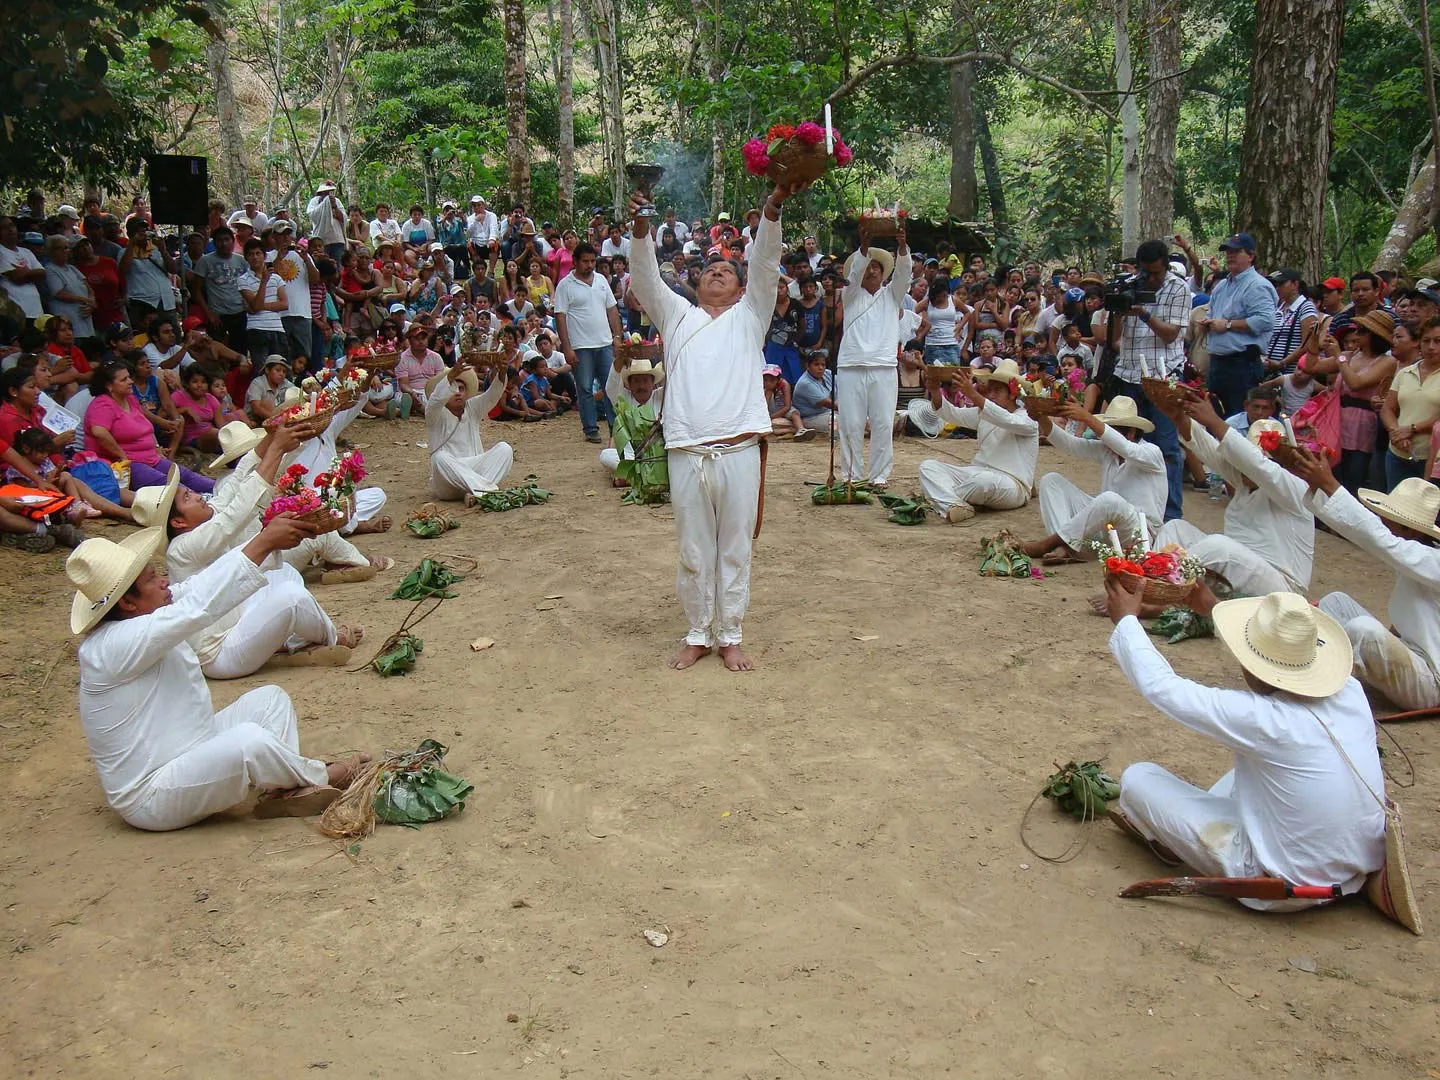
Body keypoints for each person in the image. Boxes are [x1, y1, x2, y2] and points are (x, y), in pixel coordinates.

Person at [68, 515, 372, 830]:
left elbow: (201, 586)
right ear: (128, 604)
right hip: (152, 795)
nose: (163, 581)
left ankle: (284, 788)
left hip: (193, 748)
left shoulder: (145, 618)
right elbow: (198, 606)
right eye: (150, 580)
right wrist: (264, 541)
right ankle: (318, 775)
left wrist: (268, 541)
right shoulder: (111, 647)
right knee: (248, 741)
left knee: (269, 700)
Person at [1103, 573, 1384, 911]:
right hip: (1350, 874)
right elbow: (1276, 651)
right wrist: (1210, 607)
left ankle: (1172, 838)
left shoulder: (1264, 720)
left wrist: (1126, 622)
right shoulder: (1351, 692)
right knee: (1253, 772)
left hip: (1278, 886)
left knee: (1138, 778)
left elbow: (1165, 689)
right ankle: (1183, 832)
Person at [626, 178, 808, 672]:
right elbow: (643, 279)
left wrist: (771, 210)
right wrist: (640, 229)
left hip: (739, 450)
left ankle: (730, 634)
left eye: (729, 270)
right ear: (696, 282)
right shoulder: (676, 315)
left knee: (734, 548)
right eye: (711, 269)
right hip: (686, 449)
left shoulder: (751, 316)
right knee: (691, 549)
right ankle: (696, 632)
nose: (718, 274)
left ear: (742, 287)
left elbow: (767, 265)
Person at [1278, 449, 1440, 710]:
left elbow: (1378, 539)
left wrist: (1330, 485)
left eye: (1389, 520)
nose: (1382, 522)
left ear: (1410, 530)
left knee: (1364, 630)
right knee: (1335, 603)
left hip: (1431, 683)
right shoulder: (1420, 556)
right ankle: (1307, 662)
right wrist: (1317, 484)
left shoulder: (1433, 561)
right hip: (1412, 658)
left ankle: (1318, 681)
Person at [1150, 394, 1312, 596]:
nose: (1243, 467)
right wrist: (1179, 417)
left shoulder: (1293, 487)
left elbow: (1257, 466)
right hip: (1240, 571)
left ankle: (1155, 593)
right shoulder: (1242, 478)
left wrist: (1214, 420)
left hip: (1283, 588)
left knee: (1219, 546)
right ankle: (1149, 579)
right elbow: (1206, 447)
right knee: (1175, 527)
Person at [1021, 397, 1167, 562]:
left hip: (1140, 535)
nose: (1103, 436)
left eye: (1112, 430)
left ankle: (1046, 544)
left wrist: (1088, 418)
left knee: (1110, 499)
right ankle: (1063, 546)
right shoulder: (1107, 450)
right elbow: (1070, 445)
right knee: (1051, 481)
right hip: (1108, 531)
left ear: (1131, 433)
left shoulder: (1152, 452)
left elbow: (1126, 449)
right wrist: (1041, 418)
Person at [1106, 239, 1191, 522]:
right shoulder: (1131, 285)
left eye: (1155, 273)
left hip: (1163, 377)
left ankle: (1171, 516)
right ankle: (1136, 512)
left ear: (1165, 266)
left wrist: (1143, 313)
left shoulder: (1179, 288)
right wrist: (1119, 308)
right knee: (1132, 447)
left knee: (1166, 449)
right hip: (1130, 374)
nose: (1151, 279)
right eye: (1147, 273)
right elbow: (1114, 338)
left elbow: (1170, 335)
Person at [836, 218, 911, 488]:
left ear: (883, 273)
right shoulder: (850, 294)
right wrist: (864, 247)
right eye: (868, 267)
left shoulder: (892, 295)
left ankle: (879, 477)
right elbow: (854, 274)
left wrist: (902, 248)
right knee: (851, 425)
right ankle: (851, 476)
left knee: (882, 425)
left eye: (877, 268)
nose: (871, 271)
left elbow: (904, 274)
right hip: (850, 366)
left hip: (883, 367)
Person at [917, 361, 1039, 525]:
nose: (991, 395)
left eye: (997, 391)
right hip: (977, 472)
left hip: (1012, 484)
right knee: (928, 467)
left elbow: (1007, 420)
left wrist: (973, 394)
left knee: (982, 482)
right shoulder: (985, 412)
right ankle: (956, 504)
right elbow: (952, 414)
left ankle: (945, 499)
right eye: (990, 390)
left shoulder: (1028, 418)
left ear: (1012, 394)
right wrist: (935, 391)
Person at [554, 242, 623, 444]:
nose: (590, 265)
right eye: (585, 261)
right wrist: (567, 347)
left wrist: (617, 337)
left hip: (604, 344)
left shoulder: (601, 280)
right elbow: (560, 317)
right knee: (584, 388)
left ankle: (615, 428)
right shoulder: (565, 285)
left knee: (610, 387)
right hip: (581, 346)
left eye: (593, 261)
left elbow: (612, 310)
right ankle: (591, 429)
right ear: (575, 261)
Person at [1202, 233, 1277, 416]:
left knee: (1238, 419)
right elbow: (1213, 315)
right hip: (1218, 363)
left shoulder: (1257, 285)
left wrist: (1227, 325)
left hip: (1242, 364)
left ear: (1250, 256)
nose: (1230, 256)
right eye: (1228, 252)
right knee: (1215, 417)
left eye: (1236, 251)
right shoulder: (1221, 286)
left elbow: (1266, 320)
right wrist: (1207, 324)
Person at [425, 362, 512, 502]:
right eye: (452, 389)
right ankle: (486, 491)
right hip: (448, 481)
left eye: (461, 388)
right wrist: (450, 376)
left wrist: (501, 371)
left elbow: (492, 395)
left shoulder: (472, 408)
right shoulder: (434, 414)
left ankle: (477, 493)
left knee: (505, 449)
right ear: (444, 393)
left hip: (475, 472)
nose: (458, 392)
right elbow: (434, 402)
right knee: (439, 458)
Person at [1380, 315, 1440, 490]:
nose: (1431, 347)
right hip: (1398, 452)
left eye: (1438, 341)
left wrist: (1412, 429)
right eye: (1426, 341)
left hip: (1431, 458)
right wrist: (1395, 432)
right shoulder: (1405, 373)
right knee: (1394, 509)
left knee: (1424, 512)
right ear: (1419, 343)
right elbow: (1388, 409)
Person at [1264, 268, 1319, 375]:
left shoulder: (1307, 308)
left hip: (1293, 374)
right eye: (1275, 285)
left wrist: (1282, 363)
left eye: (1280, 284)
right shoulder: (1277, 308)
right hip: (1271, 372)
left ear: (1295, 284)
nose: (1277, 288)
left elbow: (1308, 343)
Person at [394, 324, 445, 417]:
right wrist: (412, 393)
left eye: (423, 338)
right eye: (417, 339)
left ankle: (415, 408)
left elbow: (439, 381)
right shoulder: (402, 358)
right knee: (408, 397)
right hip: (410, 392)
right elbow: (403, 384)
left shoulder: (436, 357)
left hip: (430, 392)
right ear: (409, 340)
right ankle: (422, 408)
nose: (421, 341)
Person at [762, 364, 812, 439]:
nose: (768, 383)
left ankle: (801, 429)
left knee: (794, 413)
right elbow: (764, 407)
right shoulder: (763, 388)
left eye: (772, 380)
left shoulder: (784, 385)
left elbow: (787, 407)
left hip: (783, 409)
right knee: (770, 426)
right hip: (771, 412)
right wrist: (768, 393)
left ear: (778, 379)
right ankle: (791, 430)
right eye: (765, 380)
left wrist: (772, 417)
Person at [245, 355, 294, 423]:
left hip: (275, 421)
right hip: (253, 422)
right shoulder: (257, 383)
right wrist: (279, 419)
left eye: (284, 371)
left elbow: (297, 393)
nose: (281, 374)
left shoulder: (285, 383)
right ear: (267, 370)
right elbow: (256, 409)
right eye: (278, 370)